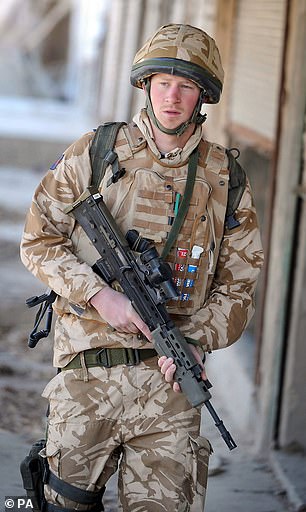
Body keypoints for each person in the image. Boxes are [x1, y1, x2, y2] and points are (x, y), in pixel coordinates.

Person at [20, 23, 264, 512]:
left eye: (187, 85)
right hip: (87, 377)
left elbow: (239, 287)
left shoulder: (226, 178)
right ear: (146, 84)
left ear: (203, 96)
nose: (172, 96)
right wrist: (97, 295)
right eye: (162, 82)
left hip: (171, 388)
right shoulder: (97, 152)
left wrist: (196, 342)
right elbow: (39, 240)